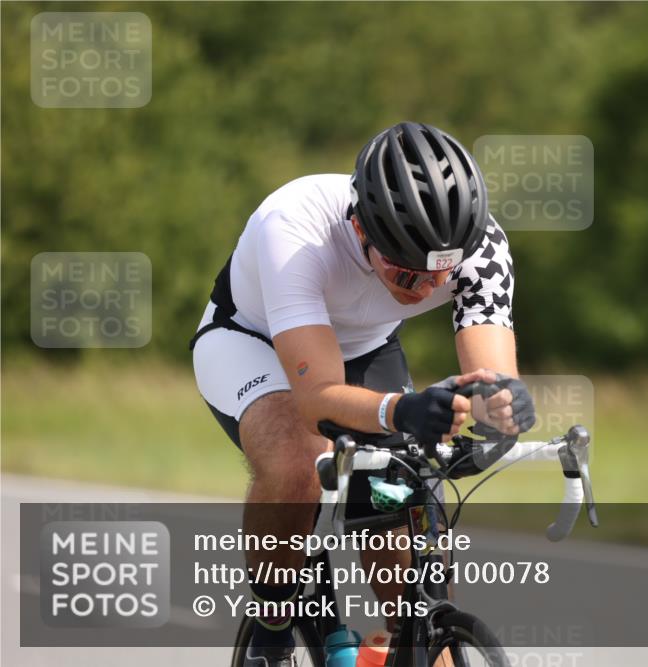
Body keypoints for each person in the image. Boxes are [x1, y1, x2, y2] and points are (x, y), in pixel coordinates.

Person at [191, 122, 536, 667]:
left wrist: (502, 410)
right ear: (361, 230)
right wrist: (403, 409)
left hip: (366, 348)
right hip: (253, 342)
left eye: (437, 278)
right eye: (407, 275)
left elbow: (491, 378)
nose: (424, 289)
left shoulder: (480, 243)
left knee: (401, 505)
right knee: (297, 462)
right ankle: (274, 616)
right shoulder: (297, 228)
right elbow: (317, 399)